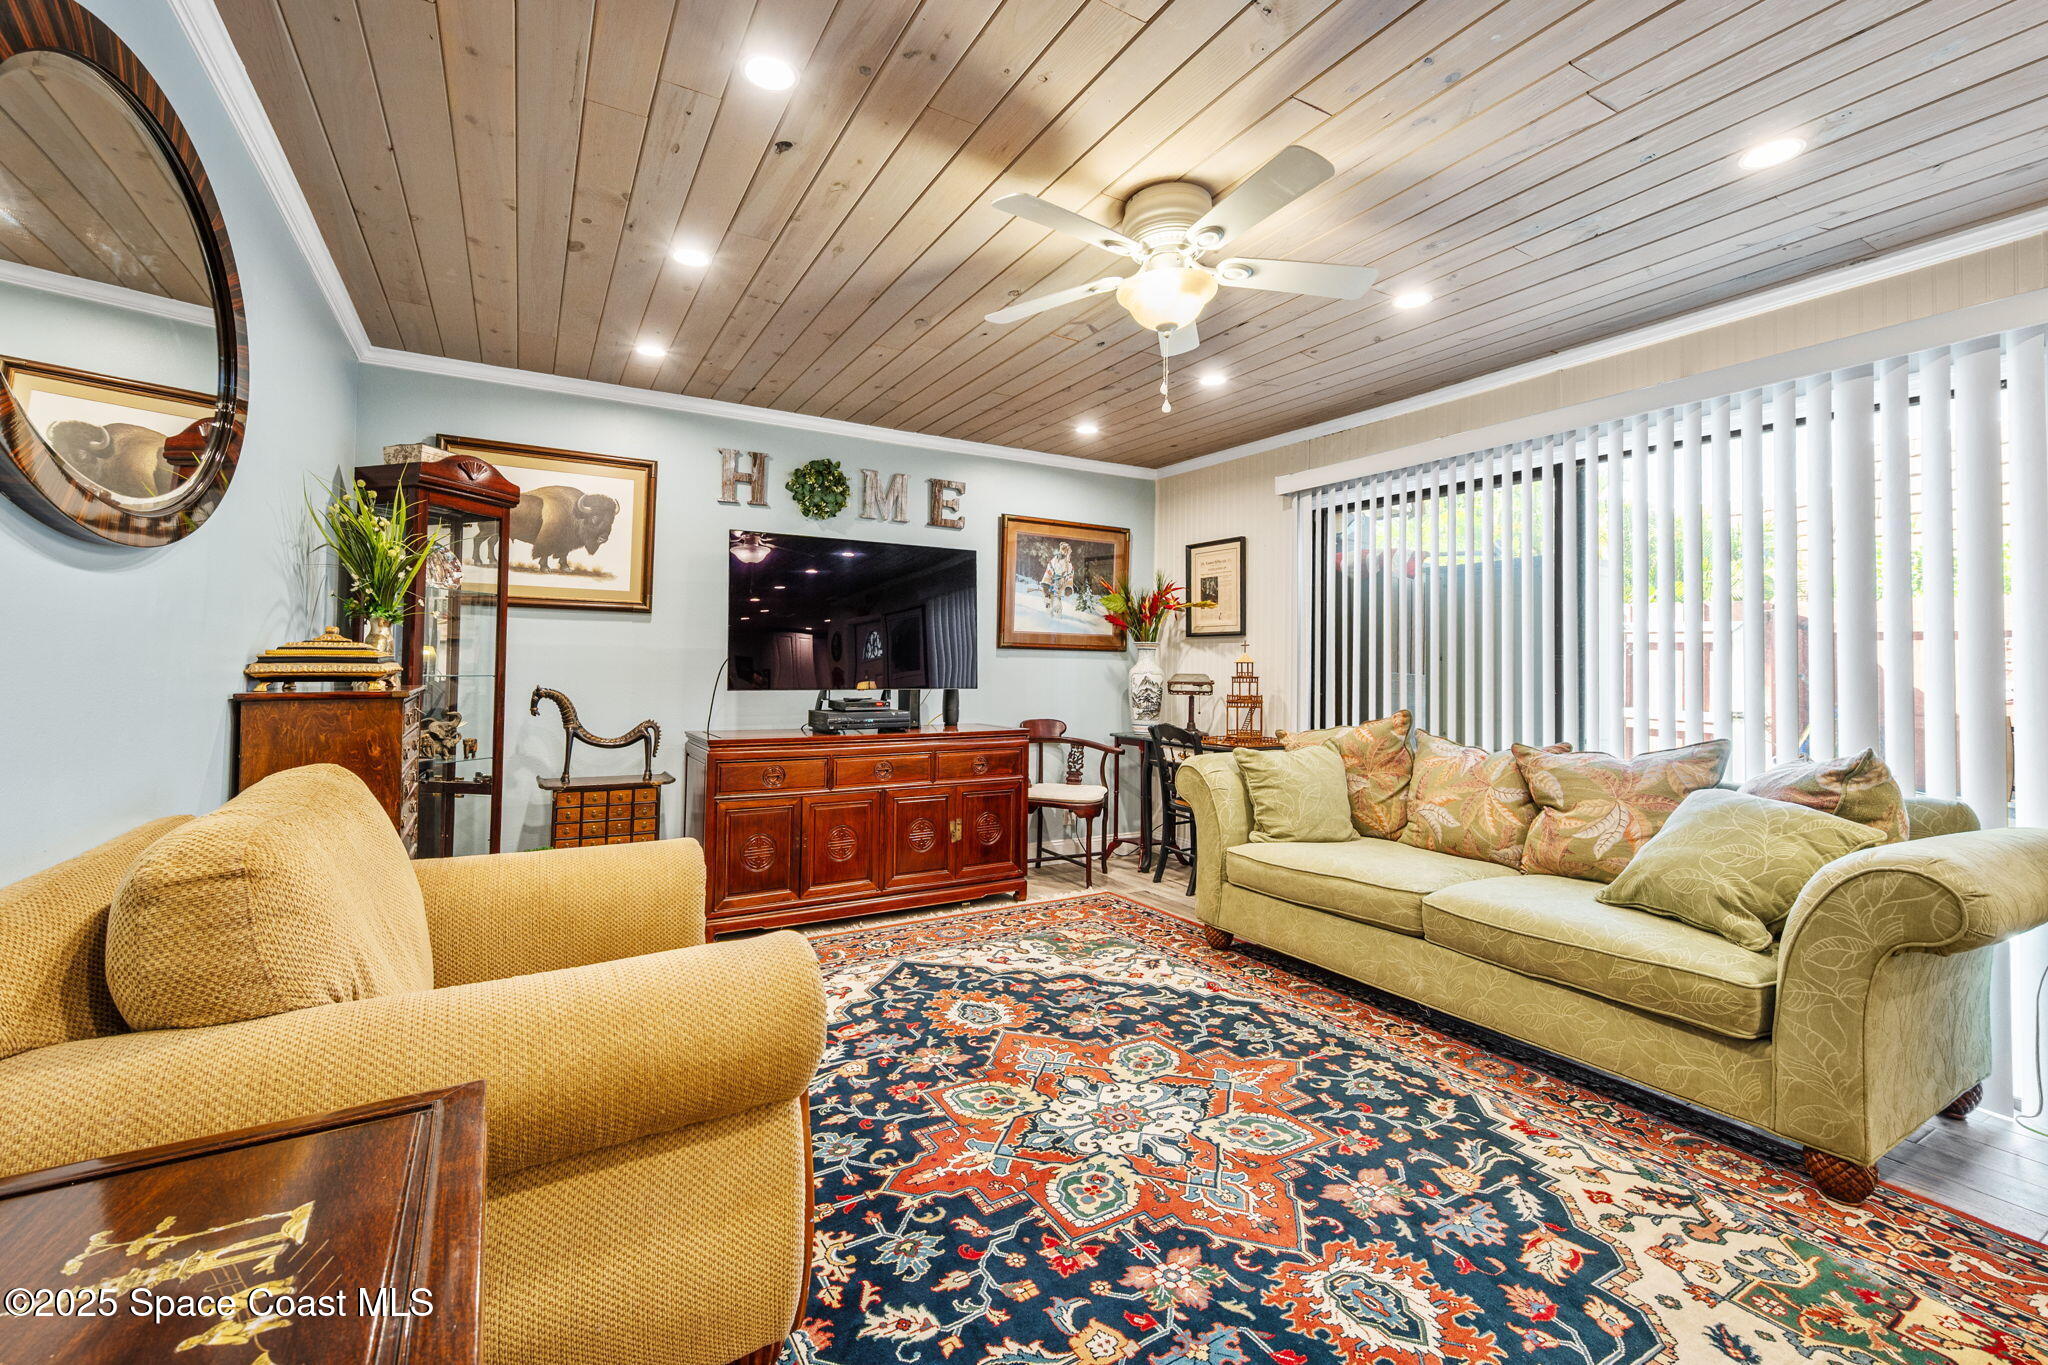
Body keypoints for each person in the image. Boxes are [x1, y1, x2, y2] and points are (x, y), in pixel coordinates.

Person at [1040, 541, 1075, 617]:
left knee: (1057, 599)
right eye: (1064, 550)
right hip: (1052, 582)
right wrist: (1046, 583)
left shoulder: (1069, 564)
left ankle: (1057, 615)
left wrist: (1068, 587)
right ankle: (1048, 611)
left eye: (1067, 551)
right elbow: (1048, 571)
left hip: (1061, 583)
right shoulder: (1054, 561)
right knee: (1048, 598)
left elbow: (1070, 576)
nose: (1065, 552)